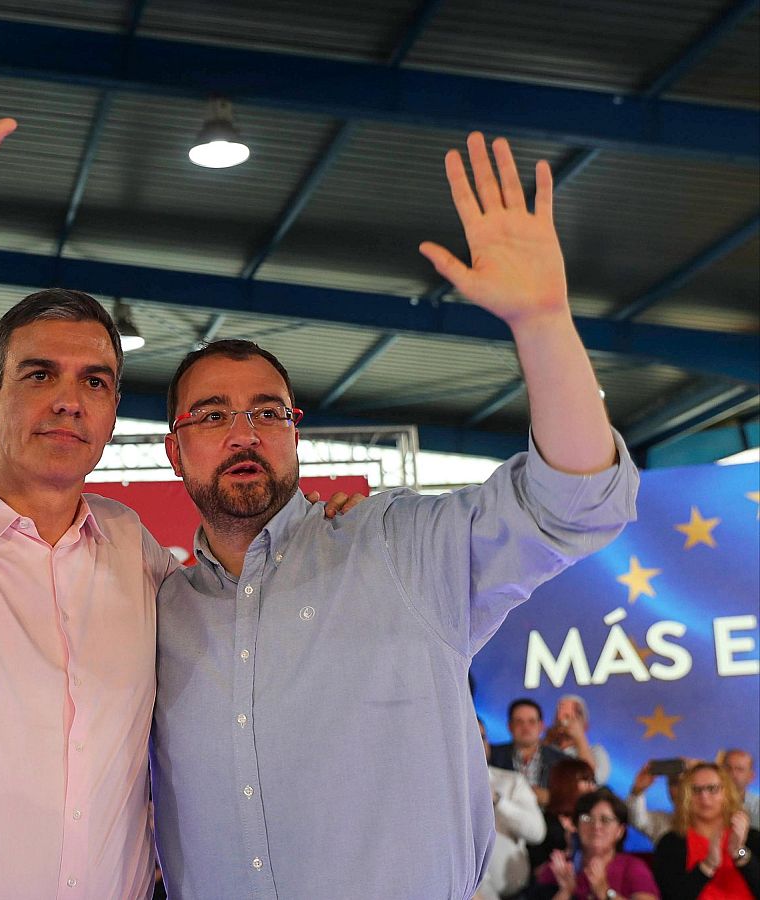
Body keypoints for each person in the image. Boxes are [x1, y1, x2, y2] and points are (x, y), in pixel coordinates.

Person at [0, 9, 354, 894]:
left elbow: (254, 618)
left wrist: (332, 536)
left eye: (95, 381)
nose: (68, 397)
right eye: (40, 373)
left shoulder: (139, 555)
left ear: (115, 410)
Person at [150, 129, 639, 898]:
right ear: (173, 452)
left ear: (296, 431)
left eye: (267, 412)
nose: (244, 433)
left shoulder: (400, 548)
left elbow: (574, 505)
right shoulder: (155, 613)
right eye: (211, 416)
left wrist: (544, 323)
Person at [651, 762, 760, 899]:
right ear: (686, 796)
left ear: (727, 793)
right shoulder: (671, 843)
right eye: (696, 790)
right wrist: (707, 865)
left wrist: (739, 851)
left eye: (713, 789)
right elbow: (672, 896)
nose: (704, 796)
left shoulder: (752, 837)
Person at [532, 789, 659, 900]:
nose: (596, 826)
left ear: (620, 831)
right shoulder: (560, 868)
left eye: (605, 820)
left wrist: (605, 892)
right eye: (587, 818)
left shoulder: (632, 867)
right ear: (576, 826)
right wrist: (565, 892)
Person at [476, 719, 546, 899]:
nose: (477, 744)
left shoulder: (512, 782)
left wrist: (498, 801)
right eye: (470, 737)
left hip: (514, 893)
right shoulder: (440, 792)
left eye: (482, 737)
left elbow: (537, 833)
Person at [492, 698, 571, 805]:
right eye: (519, 722)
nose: (526, 727)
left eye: (532, 721)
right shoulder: (492, 756)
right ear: (510, 726)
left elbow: (570, 798)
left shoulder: (561, 760)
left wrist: (551, 798)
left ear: (541, 726)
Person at [531, 759, 601, 874]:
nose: (592, 788)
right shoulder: (545, 823)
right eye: (585, 780)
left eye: (592, 782)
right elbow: (536, 867)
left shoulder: (592, 823)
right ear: (566, 783)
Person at [546, 693, 611, 783]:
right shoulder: (546, 748)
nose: (565, 721)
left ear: (585, 726)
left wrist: (579, 737)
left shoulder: (596, 751)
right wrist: (547, 739)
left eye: (575, 716)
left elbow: (595, 778)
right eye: (561, 714)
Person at [629, 759, 688, 844]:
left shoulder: (711, 823)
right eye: (674, 783)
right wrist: (637, 790)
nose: (681, 789)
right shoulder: (661, 822)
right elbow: (637, 820)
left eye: (686, 782)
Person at [720, 749, 760, 824]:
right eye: (728, 768)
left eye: (740, 769)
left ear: (751, 776)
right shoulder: (702, 801)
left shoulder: (757, 807)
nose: (732, 774)